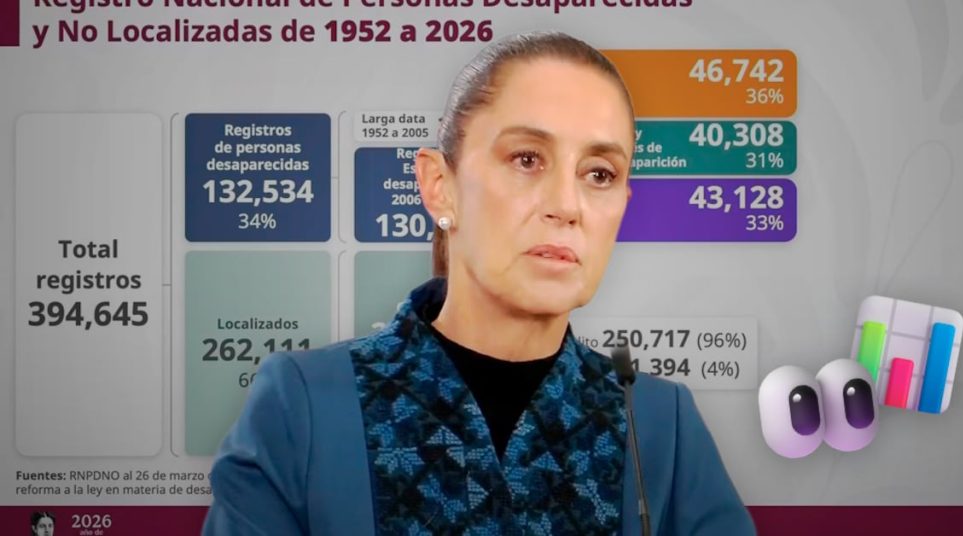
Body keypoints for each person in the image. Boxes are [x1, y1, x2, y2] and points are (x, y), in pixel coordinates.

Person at [203, 30, 755, 535]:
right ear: (439, 186)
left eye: (599, 174)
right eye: (527, 158)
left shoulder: (661, 424)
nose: (567, 205)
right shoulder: (302, 407)